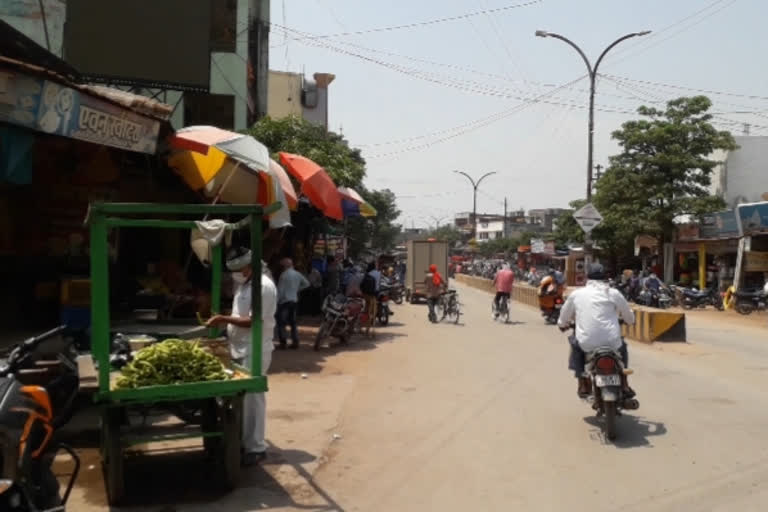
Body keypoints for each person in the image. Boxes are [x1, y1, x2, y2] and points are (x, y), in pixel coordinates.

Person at [206, 248, 275, 466]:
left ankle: (256, 447)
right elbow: (240, 314)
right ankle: (244, 440)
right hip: (240, 347)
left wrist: (222, 318)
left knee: (253, 399)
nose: (236, 273)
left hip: (254, 349)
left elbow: (253, 321)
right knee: (242, 399)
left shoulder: (263, 287)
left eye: (239, 269)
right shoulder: (245, 285)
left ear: (250, 266)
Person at [557, 263, 635, 398]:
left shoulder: (577, 294)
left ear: (587, 277)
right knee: (622, 346)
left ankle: (582, 382)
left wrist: (562, 324)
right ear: (605, 277)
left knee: (576, 345)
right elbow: (629, 316)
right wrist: (629, 321)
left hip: (587, 343)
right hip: (612, 342)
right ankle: (624, 382)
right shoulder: (614, 293)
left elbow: (564, 315)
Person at [276, 258, 309, 350]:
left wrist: (276, 301)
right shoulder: (297, 274)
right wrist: (297, 289)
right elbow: (307, 284)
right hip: (294, 301)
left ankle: (283, 343)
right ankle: (295, 342)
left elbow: (280, 291)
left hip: (284, 302)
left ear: (285, 266)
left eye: (282, 265)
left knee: (282, 323)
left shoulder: (283, 275)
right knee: (293, 323)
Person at [361, 262, 380, 335]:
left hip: (365, 295)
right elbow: (378, 285)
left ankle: (363, 327)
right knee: (372, 312)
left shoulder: (366, 274)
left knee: (366, 311)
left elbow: (361, 285)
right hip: (374, 295)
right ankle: (371, 329)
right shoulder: (378, 273)